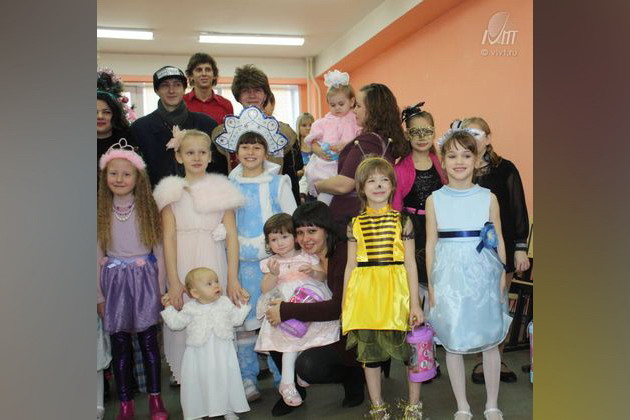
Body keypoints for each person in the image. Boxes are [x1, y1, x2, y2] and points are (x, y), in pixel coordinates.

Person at [425, 128, 512, 420]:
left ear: (476, 160)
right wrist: (432, 284)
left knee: (490, 338)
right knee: (454, 339)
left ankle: (492, 404)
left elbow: (499, 238)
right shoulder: (435, 199)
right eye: (452, 156)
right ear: (442, 161)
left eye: (466, 155)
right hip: (448, 275)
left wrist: (501, 275)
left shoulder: (488, 197)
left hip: (483, 273)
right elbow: (431, 244)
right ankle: (462, 405)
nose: (459, 161)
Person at [152, 129, 244, 389]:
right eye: (190, 152)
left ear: (210, 156)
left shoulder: (222, 190)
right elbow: (168, 237)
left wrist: (232, 278)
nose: (196, 157)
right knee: (187, 318)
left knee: (216, 319)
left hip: (213, 260)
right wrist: (173, 281)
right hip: (183, 260)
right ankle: (191, 385)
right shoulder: (171, 191)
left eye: (202, 152)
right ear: (179, 157)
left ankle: (219, 386)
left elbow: (232, 237)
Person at [264, 201, 365, 417]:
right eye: (299, 232)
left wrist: (286, 310)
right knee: (273, 328)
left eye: (312, 231)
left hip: (348, 328)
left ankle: (352, 374)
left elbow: (337, 308)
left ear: (326, 229)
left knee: (309, 365)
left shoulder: (342, 254)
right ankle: (293, 390)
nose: (305, 239)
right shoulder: (297, 256)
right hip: (314, 319)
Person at [341, 157, 424, 419]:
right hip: (365, 295)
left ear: (392, 186)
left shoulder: (402, 220)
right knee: (370, 355)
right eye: (371, 181)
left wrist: (415, 303)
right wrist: (345, 303)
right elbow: (350, 266)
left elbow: (410, 263)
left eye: (384, 180)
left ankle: (414, 404)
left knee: (411, 350)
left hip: (397, 292)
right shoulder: (354, 224)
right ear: (361, 188)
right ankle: (377, 405)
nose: (378, 185)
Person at [97, 141, 168, 420]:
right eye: (113, 173)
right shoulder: (100, 211)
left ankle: (155, 400)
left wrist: (159, 290)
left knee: (149, 344)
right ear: (105, 176)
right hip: (114, 284)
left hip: (145, 282)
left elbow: (160, 253)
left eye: (126, 174)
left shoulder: (148, 209)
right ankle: (126, 404)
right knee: (120, 346)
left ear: (138, 178)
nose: (119, 179)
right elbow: (95, 255)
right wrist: (99, 296)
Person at [460, 117, 531, 385]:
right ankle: (482, 358)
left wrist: (520, 248)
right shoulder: (460, 168)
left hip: (502, 247)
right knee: (478, 306)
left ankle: (496, 359)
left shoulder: (506, 169)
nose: (473, 138)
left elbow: (518, 208)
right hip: (469, 250)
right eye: (466, 133)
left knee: (499, 304)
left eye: (477, 133)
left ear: (488, 138)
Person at [255, 213, 339, 407]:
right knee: (290, 342)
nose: (280, 243)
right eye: (274, 240)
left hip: (310, 300)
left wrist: (313, 272)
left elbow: (323, 276)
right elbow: (265, 289)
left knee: (310, 337)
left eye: (284, 237)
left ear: (294, 237)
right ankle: (287, 383)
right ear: (268, 243)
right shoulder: (271, 263)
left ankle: (301, 371)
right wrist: (273, 275)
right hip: (286, 305)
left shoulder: (307, 256)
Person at [161, 267, 251, 420]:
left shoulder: (225, 303)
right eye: (209, 284)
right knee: (198, 380)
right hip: (199, 354)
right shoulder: (190, 308)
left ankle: (228, 408)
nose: (216, 285)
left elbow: (236, 320)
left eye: (216, 281)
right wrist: (168, 308)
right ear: (195, 293)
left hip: (222, 351)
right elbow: (176, 323)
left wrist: (243, 303)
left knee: (225, 377)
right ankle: (197, 411)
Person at [314, 83, 407, 229]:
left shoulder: (368, 142)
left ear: (372, 110)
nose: (354, 110)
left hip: (351, 217)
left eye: (358, 106)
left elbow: (344, 184)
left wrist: (317, 185)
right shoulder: (383, 139)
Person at [212, 64, 302, 203]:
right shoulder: (222, 133)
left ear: (266, 95)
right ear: (238, 95)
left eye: (257, 90)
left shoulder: (285, 133)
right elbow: (219, 178)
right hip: (235, 203)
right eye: (246, 91)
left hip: (276, 204)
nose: (252, 95)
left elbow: (292, 179)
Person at [131, 65, 228, 186]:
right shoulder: (140, 128)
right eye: (165, 85)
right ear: (156, 90)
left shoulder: (206, 124)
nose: (171, 90)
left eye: (177, 85)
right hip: (155, 195)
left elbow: (219, 170)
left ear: (184, 89)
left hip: (202, 195)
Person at [393, 102, 448, 306]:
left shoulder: (442, 164)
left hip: (437, 228)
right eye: (416, 132)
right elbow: (395, 206)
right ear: (407, 135)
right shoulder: (400, 169)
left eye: (427, 131)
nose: (422, 137)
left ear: (434, 133)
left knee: (437, 276)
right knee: (415, 278)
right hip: (412, 229)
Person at [304, 70, 360, 204]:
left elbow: (361, 139)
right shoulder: (323, 123)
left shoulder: (356, 120)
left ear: (352, 101)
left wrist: (347, 144)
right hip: (327, 165)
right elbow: (313, 142)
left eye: (341, 104)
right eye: (332, 105)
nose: (337, 108)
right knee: (325, 197)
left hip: (348, 167)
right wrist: (319, 151)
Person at [183, 52, 234, 125]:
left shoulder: (226, 105)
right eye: (199, 70)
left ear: (214, 76)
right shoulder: (181, 103)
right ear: (191, 76)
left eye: (208, 70)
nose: (204, 74)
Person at [295, 112, 315, 202]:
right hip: (299, 186)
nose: (308, 128)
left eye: (311, 125)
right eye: (304, 125)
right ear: (298, 127)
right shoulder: (294, 148)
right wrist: (301, 172)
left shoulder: (319, 146)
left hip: (316, 185)